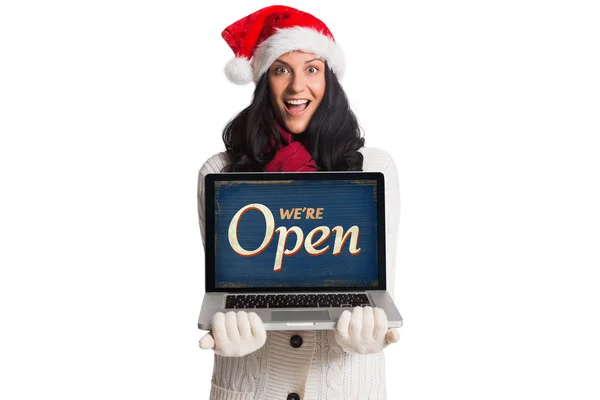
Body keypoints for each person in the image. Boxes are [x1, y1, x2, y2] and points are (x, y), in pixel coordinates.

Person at [197, 5, 401, 400]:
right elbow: (228, 281)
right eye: (281, 70)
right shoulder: (219, 171)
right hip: (250, 389)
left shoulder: (375, 167)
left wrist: (372, 338)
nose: (296, 87)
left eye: (311, 69)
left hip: (346, 388)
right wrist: (227, 333)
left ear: (329, 78)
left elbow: (376, 282)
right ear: (262, 81)